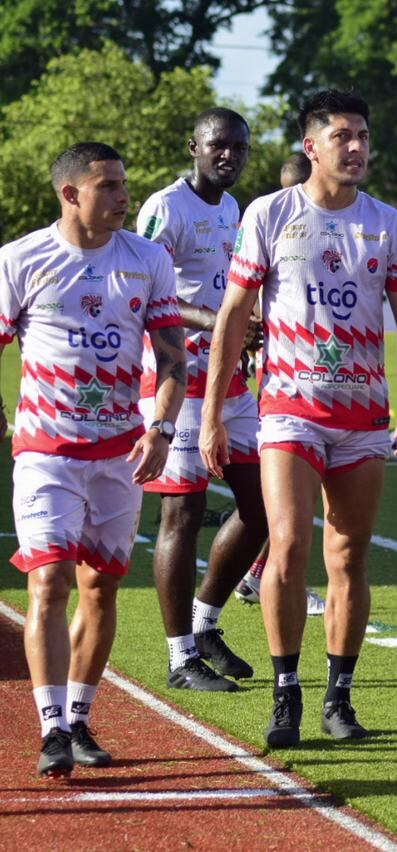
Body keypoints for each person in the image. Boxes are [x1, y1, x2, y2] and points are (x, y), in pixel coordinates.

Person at [200, 90, 397, 749]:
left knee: (349, 554)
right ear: (311, 146)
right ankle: (286, 691)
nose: (356, 146)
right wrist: (214, 415)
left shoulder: (387, 223)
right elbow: (234, 318)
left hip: (362, 416)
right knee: (291, 543)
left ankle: (339, 696)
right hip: (289, 411)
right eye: (342, 136)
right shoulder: (270, 214)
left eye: (362, 134)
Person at [0, 142, 185, 775]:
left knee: (100, 589)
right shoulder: (21, 259)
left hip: (120, 453)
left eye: (124, 183)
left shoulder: (148, 258)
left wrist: (159, 429)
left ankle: (79, 718)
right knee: (47, 580)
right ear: (70, 193)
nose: (122, 196)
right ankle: (51, 728)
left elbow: (173, 360)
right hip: (46, 452)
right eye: (107, 185)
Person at [136, 108, 266, 692]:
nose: (229, 156)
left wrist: (247, 323)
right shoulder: (166, 207)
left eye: (239, 148)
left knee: (265, 505)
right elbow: (143, 287)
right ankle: (179, 658)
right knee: (182, 513)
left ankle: (205, 622)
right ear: (194, 145)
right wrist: (217, 322)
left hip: (230, 380)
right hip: (177, 378)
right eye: (219, 146)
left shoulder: (236, 209)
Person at [234, 152, 325, 617]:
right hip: (284, 391)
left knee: (291, 509)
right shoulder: (272, 218)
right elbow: (245, 303)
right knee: (289, 507)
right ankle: (261, 575)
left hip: (325, 388)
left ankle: (257, 573)